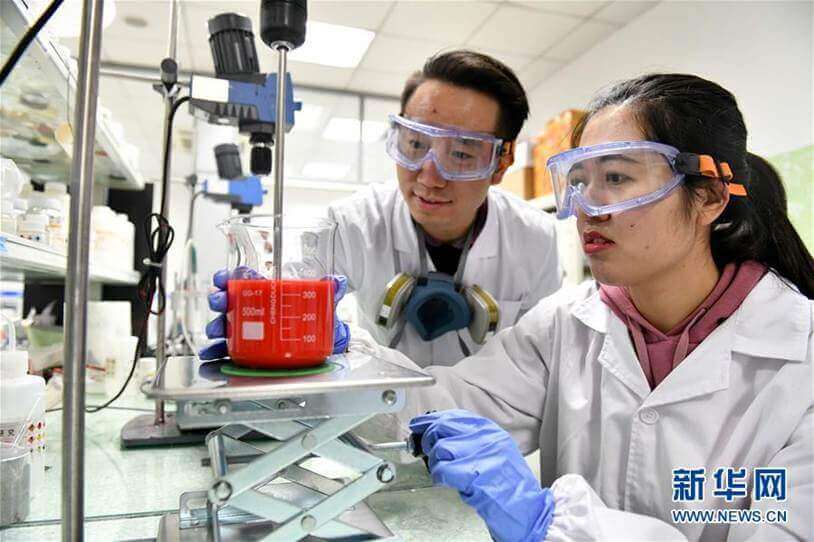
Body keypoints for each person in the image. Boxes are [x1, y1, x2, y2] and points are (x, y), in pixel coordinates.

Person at [375, 74, 814, 541]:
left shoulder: (800, 357)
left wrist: (550, 524)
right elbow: (440, 408)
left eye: (617, 178)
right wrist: (342, 363)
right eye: (579, 181)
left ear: (708, 196)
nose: (587, 207)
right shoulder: (564, 323)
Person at [202, 50, 562, 366]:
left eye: (461, 154)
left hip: (488, 414)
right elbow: (291, 283)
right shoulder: (352, 222)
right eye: (415, 144)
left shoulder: (534, 238)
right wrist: (262, 306)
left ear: (501, 163)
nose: (429, 177)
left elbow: (539, 359)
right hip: (382, 412)